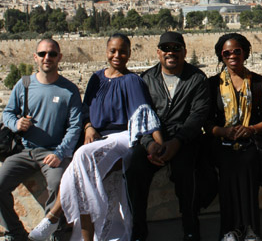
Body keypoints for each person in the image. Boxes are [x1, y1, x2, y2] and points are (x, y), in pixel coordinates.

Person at [28, 34, 162, 241]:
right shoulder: (96, 79)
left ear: (129, 54)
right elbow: (85, 110)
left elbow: (145, 116)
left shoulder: (133, 81)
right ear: (106, 52)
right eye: (113, 51)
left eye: (122, 51)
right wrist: (89, 127)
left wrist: (158, 143)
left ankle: (53, 216)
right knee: (79, 172)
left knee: (81, 156)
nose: (117, 55)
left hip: (123, 138)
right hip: (98, 140)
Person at [127, 31, 212, 241]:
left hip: (184, 139)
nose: (170, 52)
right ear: (158, 52)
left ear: (184, 52)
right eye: (166, 48)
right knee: (134, 168)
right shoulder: (147, 79)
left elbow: (197, 116)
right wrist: (149, 144)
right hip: (154, 140)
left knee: (187, 172)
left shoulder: (196, 79)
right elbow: (141, 115)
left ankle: (191, 229)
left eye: (176, 48)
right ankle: (138, 230)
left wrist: (177, 142)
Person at [0, 39, 82, 241]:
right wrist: (16, 124)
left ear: (59, 58)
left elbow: (75, 126)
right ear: (35, 57)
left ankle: (54, 233)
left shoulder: (69, 90)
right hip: (24, 151)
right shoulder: (24, 84)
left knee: (58, 185)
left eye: (52, 54)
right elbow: (8, 113)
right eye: (43, 53)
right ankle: (16, 233)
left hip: (53, 151)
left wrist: (60, 153)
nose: (47, 58)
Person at [207, 33, 262, 241]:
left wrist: (251, 129)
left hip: (252, 141)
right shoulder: (212, 85)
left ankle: (249, 228)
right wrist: (223, 131)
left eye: (237, 51)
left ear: (245, 53)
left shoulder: (259, 83)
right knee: (229, 164)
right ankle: (231, 229)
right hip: (222, 141)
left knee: (247, 161)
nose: (232, 56)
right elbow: (206, 121)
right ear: (221, 56)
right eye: (227, 53)